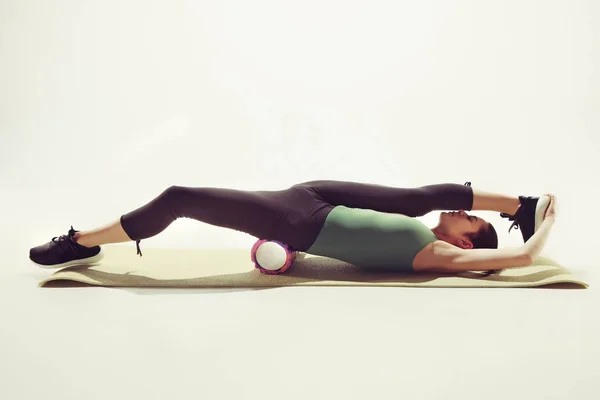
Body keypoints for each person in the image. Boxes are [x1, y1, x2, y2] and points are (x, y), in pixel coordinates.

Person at [29, 180, 556, 273]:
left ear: (465, 241)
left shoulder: (443, 256)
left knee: (177, 198)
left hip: (296, 219)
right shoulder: (422, 230)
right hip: (310, 198)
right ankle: (520, 203)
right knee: (418, 197)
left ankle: (80, 244)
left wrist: (544, 231)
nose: (462, 213)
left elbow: (523, 259)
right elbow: (419, 203)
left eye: (470, 219)